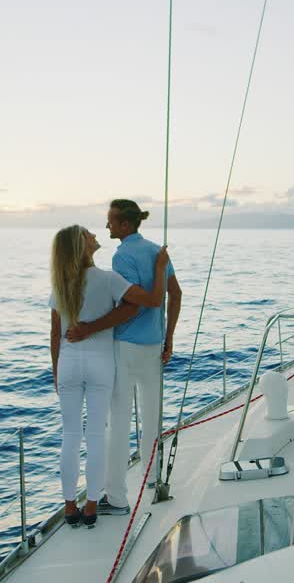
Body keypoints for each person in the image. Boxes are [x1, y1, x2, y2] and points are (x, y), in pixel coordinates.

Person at [48, 225, 168, 528]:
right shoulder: (108, 279)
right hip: (101, 362)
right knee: (97, 435)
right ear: (83, 246)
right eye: (88, 234)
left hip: (68, 363)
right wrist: (160, 267)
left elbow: (54, 334)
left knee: (70, 435)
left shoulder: (60, 284)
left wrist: (56, 370)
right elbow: (148, 301)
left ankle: (69, 506)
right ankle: (91, 506)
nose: (94, 235)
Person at [68, 199, 181, 517]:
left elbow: (132, 305)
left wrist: (90, 328)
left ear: (125, 225)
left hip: (126, 348)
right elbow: (177, 295)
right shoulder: (157, 251)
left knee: (119, 422)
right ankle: (153, 478)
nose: (106, 227)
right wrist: (169, 337)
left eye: (111, 222)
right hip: (154, 346)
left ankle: (116, 497)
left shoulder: (121, 256)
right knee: (152, 419)